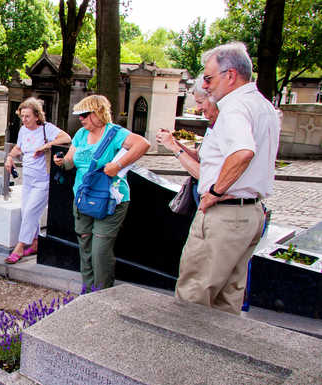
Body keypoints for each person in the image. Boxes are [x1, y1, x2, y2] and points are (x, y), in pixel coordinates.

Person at [174, 42, 280, 315]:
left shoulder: (234, 107)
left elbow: (243, 152)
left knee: (193, 298)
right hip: (251, 213)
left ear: (230, 75)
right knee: (227, 301)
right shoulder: (263, 105)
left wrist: (216, 191)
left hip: (225, 215)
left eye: (209, 78)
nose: (206, 86)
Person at [53, 95, 150, 290]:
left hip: (110, 199)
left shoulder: (115, 133)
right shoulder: (80, 134)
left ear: (98, 113)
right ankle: (87, 292)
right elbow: (70, 162)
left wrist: (118, 165)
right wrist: (61, 162)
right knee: (85, 248)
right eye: (79, 115)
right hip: (83, 197)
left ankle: (101, 295)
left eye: (85, 114)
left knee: (100, 251)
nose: (81, 118)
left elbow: (143, 144)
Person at [4, 97, 71, 263]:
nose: (24, 120)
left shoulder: (46, 129)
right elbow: (19, 147)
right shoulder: (23, 130)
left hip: (43, 180)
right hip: (28, 179)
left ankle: (19, 247)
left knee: (31, 213)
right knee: (26, 211)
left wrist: (46, 146)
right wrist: (10, 157)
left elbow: (67, 138)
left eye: (27, 116)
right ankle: (35, 243)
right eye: (22, 116)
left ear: (36, 116)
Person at [156, 75, 219, 205]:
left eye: (200, 102)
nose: (198, 108)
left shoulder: (224, 128)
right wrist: (173, 142)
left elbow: (203, 173)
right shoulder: (214, 126)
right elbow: (198, 156)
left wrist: (175, 148)